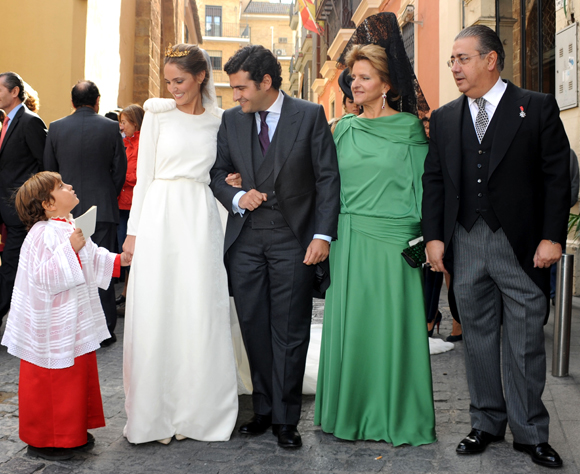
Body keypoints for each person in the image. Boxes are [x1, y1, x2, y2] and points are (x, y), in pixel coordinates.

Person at [422, 25, 569, 468]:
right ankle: (485, 423)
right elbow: (434, 180)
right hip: (465, 243)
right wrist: (434, 237)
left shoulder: (536, 107)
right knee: (479, 339)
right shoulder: (447, 117)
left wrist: (552, 237)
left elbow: (556, 177)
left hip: (521, 244)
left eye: (462, 58)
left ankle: (530, 433)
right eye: (451, 60)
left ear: (490, 60)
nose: (454, 67)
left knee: (525, 341)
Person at [313, 13, 436, 446]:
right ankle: (351, 412)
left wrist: (426, 241)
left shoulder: (409, 131)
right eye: (353, 78)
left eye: (365, 77)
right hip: (349, 242)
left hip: (394, 244)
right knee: (355, 327)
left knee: (393, 329)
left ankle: (395, 414)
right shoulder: (341, 130)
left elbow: (425, 189)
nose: (356, 84)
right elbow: (319, 183)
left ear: (386, 84)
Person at [210, 45, 340, 448]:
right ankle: (263, 410)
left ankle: (286, 419)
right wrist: (235, 197)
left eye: (241, 88)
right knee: (253, 327)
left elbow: (327, 178)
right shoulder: (231, 121)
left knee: (290, 329)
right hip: (245, 242)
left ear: (266, 82)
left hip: (293, 241)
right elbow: (215, 173)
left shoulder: (309, 115)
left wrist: (322, 236)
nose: (236, 97)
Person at [122, 44, 238, 445]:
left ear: (201, 77)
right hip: (159, 215)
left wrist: (233, 180)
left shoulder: (221, 121)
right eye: (168, 81)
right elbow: (143, 178)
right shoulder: (157, 115)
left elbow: (224, 170)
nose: (174, 89)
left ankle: (200, 409)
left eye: (181, 81)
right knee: (158, 308)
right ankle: (156, 411)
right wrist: (133, 234)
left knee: (199, 308)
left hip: (202, 219)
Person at [1, 171, 129, 461]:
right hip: (50, 326)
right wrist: (70, 249)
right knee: (53, 382)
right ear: (48, 203)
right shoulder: (41, 234)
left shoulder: (68, 223)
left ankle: (73, 432)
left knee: (75, 377)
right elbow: (43, 277)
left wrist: (120, 260)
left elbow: (92, 256)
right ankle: (47, 439)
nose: (70, 186)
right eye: (61, 186)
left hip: (72, 319)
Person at [43, 81, 127, 346]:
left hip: (64, 211)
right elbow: (120, 169)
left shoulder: (55, 128)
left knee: (68, 265)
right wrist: (106, 194)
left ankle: (69, 328)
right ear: (97, 101)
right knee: (101, 267)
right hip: (101, 208)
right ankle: (105, 331)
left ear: (72, 102)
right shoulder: (111, 127)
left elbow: (49, 171)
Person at [0, 72, 47, 323]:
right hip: (2, 205)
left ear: (14, 91)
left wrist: (30, 200)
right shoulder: (4, 122)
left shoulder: (30, 122)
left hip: (18, 208)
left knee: (11, 263)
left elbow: (45, 165)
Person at [115, 104, 145, 315]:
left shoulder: (143, 143)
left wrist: (118, 177)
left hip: (135, 205)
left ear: (135, 122)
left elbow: (137, 175)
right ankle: (126, 292)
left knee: (135, 252)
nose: (121, 126)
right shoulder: (125, 143)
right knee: (125, 252)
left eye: (124, 122)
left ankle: (132, 295)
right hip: (122, 203)